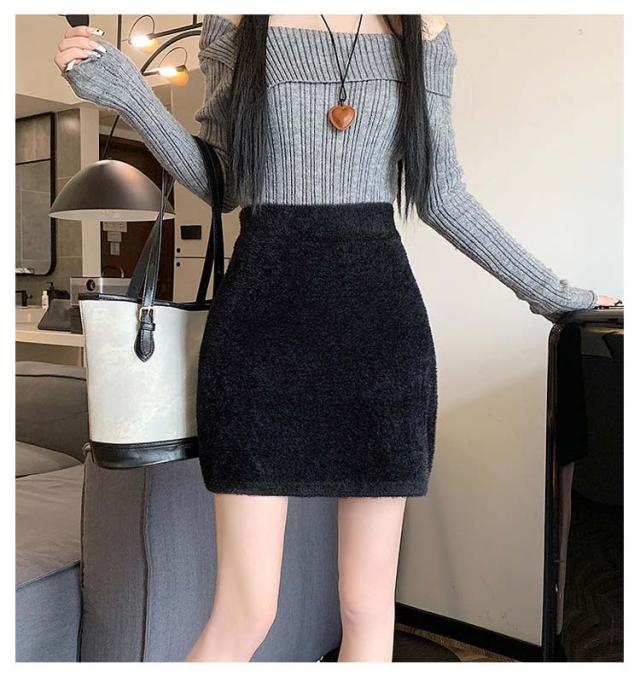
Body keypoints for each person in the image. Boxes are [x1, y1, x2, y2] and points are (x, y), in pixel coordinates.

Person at [54, 14, 620, 662]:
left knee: (367, 607)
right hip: (260, 334)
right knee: (247, 610)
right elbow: (224, 181)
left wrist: (554, 294)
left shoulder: (422, 27)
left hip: (380, 341)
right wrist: (131, 94)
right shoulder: (237, 20)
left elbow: (442, 196)